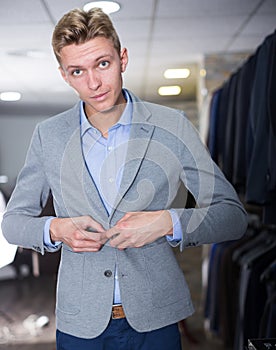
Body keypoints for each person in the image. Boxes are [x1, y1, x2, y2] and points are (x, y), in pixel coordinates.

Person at [2, 7, 248, 350]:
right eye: (77, 71)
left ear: (123, 58)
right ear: (64, 75)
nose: (93, 83)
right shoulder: (49, 136)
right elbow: (12, 223)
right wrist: (56, 229)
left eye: (102, 64)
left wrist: (166, 222)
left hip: (156, 318)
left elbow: (232, 217)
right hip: (79, 323)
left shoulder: (171, 126)